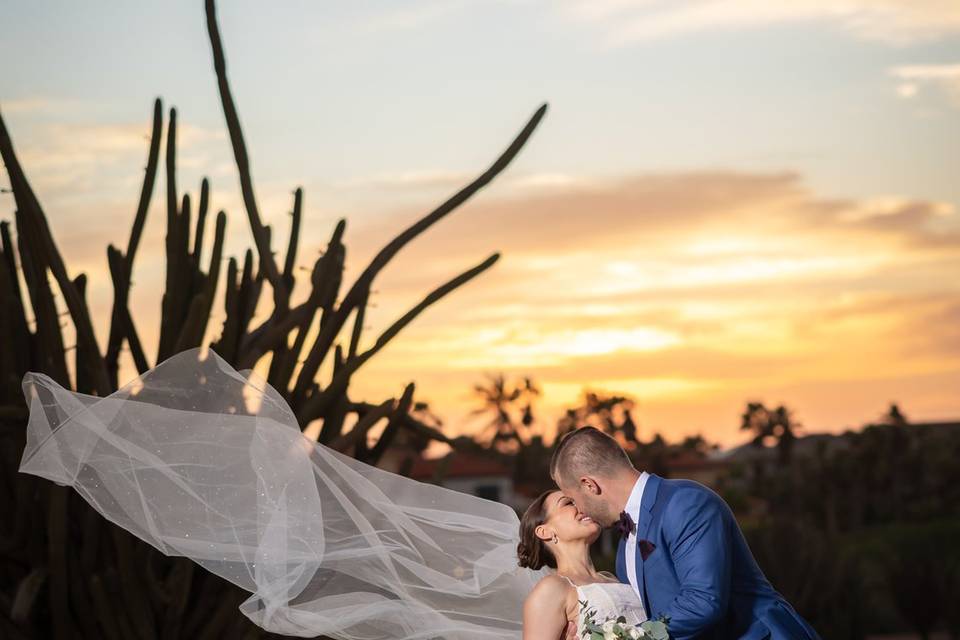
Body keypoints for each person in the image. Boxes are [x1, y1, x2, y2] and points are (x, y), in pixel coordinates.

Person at [548, 427, 820, 640]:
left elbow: (703, 601)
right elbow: (654, 621)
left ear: (590, 485)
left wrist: (622, 639)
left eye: (574, 499)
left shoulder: (685, 502)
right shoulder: (624, 548)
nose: (580, 510)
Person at [517, 489, 647, 639]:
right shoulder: (551, 589)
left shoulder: (612, 578)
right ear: (544, 531)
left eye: (580, 500)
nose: (582, 505)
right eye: (569, 503)